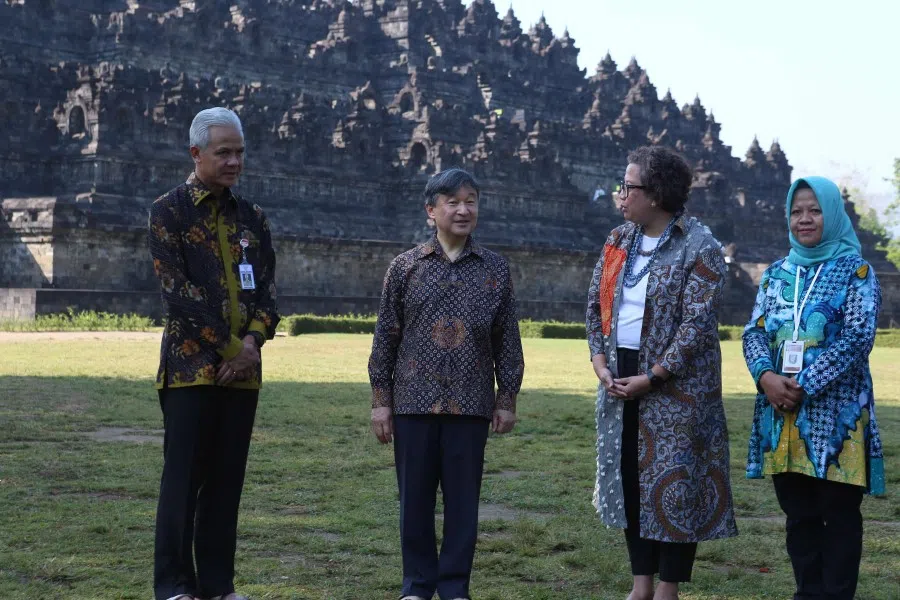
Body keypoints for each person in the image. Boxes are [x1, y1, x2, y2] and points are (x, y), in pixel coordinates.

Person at [585, 146, 737, 600]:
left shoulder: (700, 246)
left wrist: (655, 375)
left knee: (676, 480)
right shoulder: (618, 240)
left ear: (655, 194)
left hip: (678, 385)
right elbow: (596, 305)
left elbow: (696, 326)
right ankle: (641, 584)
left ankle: (668, 587)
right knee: (629, 476)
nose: (620, 195)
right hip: (620, 372)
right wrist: (599, 362)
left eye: (628, 187)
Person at [368, 168, 525, 600]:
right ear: (430, 211)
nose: (463, 209)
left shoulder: (495, 269)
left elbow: (507, 338)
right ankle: (417, 586)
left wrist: (506, 398)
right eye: (452, 202)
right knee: (414, 503)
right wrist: (381, 401)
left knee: (463, 504)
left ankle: (455, 587)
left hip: (471, 404)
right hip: (413, 401)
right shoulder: (404, 267)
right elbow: (386, 337)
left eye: (471, 200)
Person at [148, 107, 279, 600]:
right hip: (189, 371)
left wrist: (250, 345)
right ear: (196, 153)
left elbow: (267, 292)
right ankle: (174, 586)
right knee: (182, 482)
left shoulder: (253, 218)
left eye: (240, 152)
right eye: (223, 152)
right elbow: (177, 294)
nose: (234, 161)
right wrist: (230, 348)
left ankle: (219, 586)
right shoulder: (169, 211)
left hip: (243, 371)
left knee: (226, 484)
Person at [742, 176, 884, 600]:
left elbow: (858, 336)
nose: (804, 219)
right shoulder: (774, 274)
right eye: (797, 211)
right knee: (798, 513)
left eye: (815, 210)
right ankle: (807, 593)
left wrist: (802, 385)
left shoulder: (857, 271)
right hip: (780, 412)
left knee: (839, 513)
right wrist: (766, 377)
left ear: (832, 214)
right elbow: (754, 331)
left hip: (836, 414)